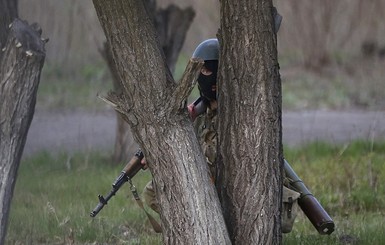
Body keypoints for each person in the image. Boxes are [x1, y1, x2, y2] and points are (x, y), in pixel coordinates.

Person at [142, 37, 300, 233]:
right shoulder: (198, 114)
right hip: (208, 186)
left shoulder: (243, 113)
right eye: (205, 71)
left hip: (237, 188)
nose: (211, 78)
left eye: (216, 71)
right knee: (152, 191)